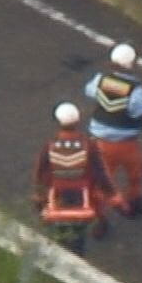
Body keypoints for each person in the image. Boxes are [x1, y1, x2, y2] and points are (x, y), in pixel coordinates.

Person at [31, 102, 113, 255]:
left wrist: (38, 193)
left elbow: (40, 170)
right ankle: (100, 226)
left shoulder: (50, 146)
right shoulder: (89, 145)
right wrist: (111, 192)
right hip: (83, 192)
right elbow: (100, 171)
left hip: (58, 192)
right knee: (94, 209)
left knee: (57, 223)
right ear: (77, 121)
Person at [84, 42, 142, 218]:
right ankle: (132, 203)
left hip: (100, 143)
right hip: (126, 144)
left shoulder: (100, 80)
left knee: (103, 180)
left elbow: (89, 91)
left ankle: (99, 216)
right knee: (136, 173)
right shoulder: (135, 91)